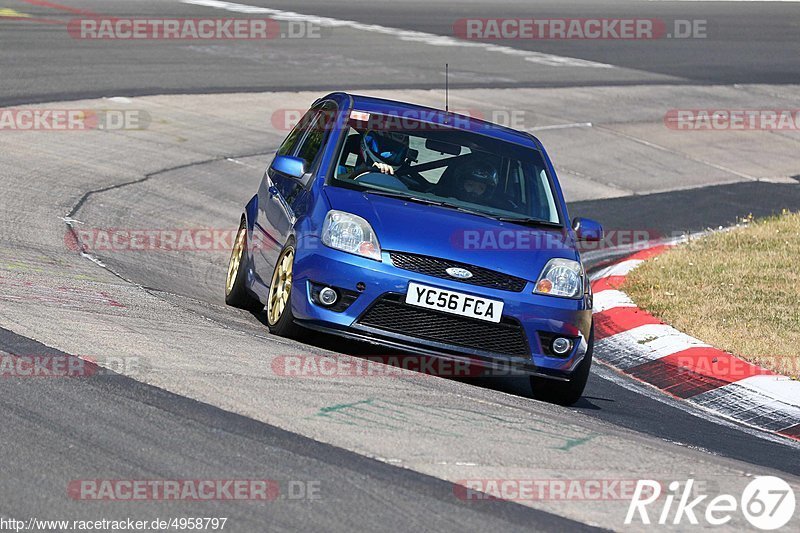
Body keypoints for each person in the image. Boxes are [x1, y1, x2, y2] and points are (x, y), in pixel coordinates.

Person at [343, 130, 410, 179]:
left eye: (395, 151)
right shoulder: (340, 171)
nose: (388, 154)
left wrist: (392, 179)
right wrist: (361, 172)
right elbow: (335, 184)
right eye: (385, 146)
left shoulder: (405, 182)